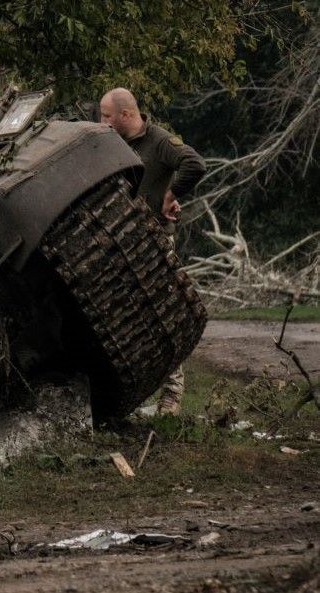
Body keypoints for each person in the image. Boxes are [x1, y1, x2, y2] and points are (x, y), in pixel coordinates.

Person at [100, 87, 207, 414]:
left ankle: (172, 397)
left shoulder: (158, 141)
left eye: (106, 116)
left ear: (126, 115)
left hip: (155, 241)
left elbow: (194, 163)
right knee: (125, 320)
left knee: (164, 315)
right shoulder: (110, 142)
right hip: (120, 242)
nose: (101, 121)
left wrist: (172, 194)